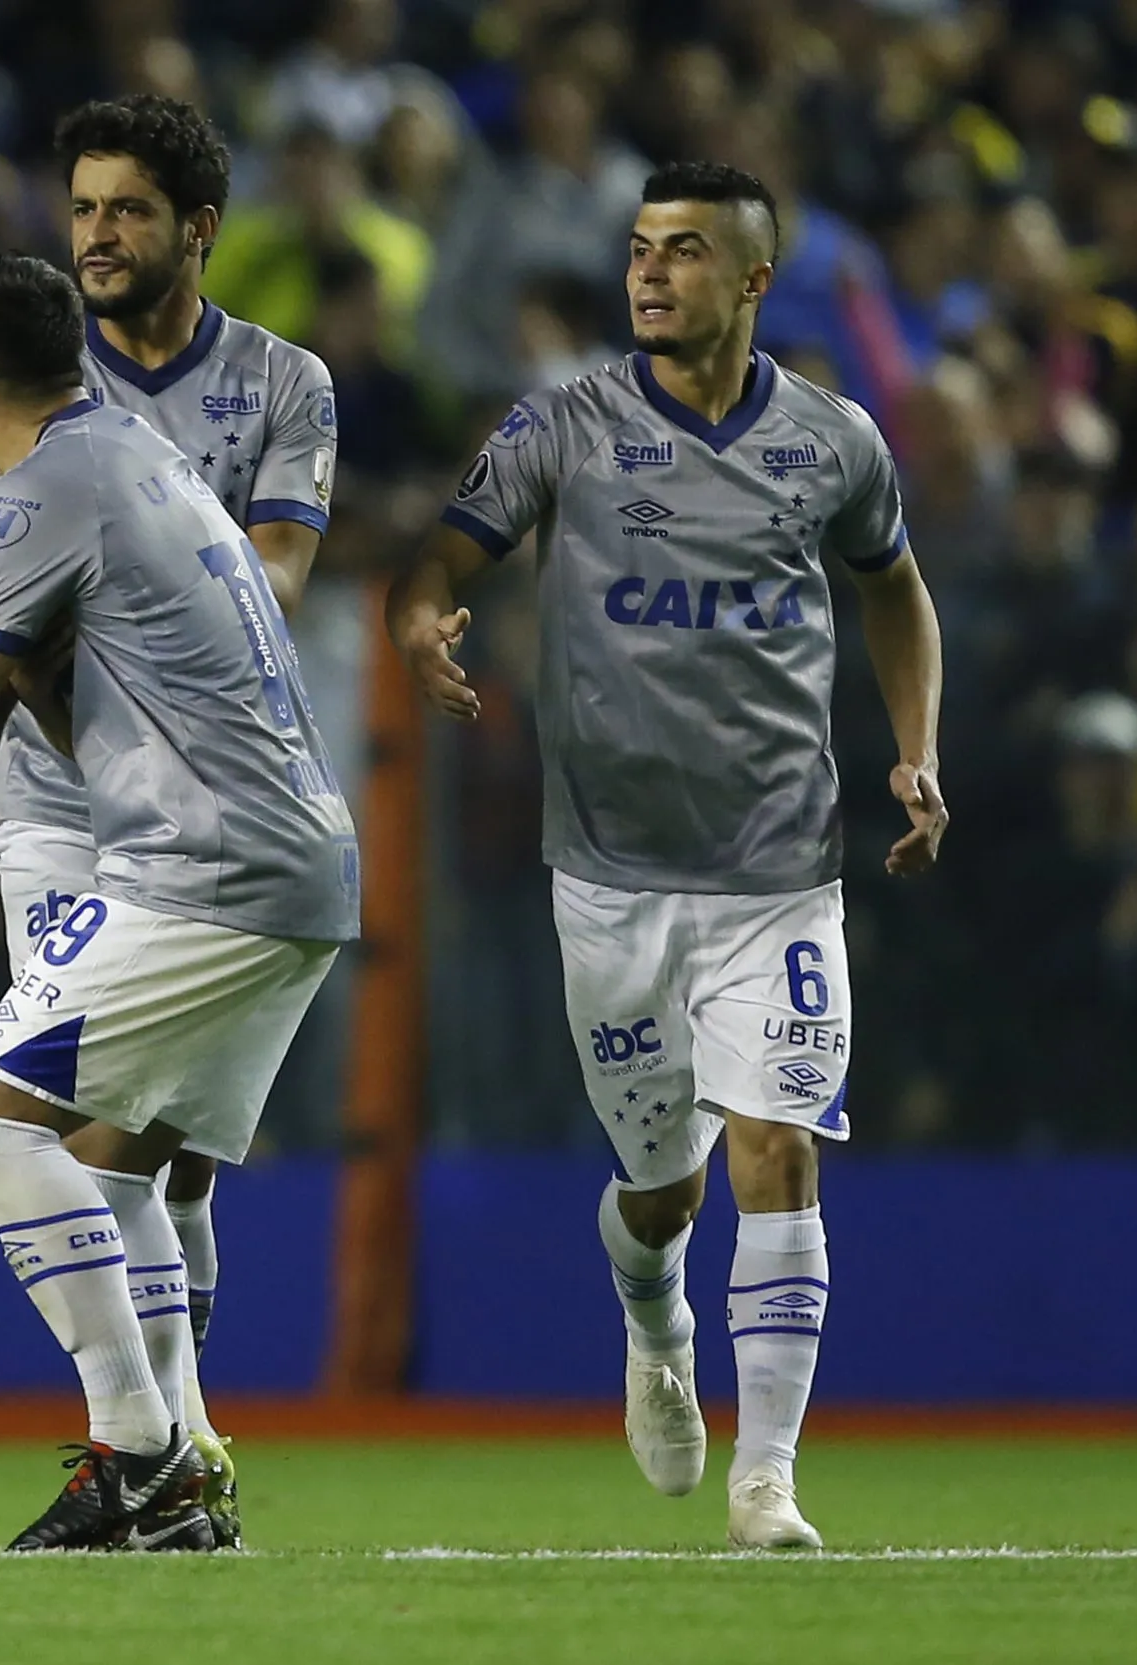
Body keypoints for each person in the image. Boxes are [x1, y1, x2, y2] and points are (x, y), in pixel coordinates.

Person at [389, 162, 949, 1550]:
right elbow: (440, 556)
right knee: (665, 1189)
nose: (651, 273)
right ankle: (655, 1322)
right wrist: (421, 619)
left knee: (777, 1150)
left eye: (686, 252)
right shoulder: (564, 425)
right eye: (641, 249)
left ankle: (770, 1478)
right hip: (612, 876)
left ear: (753, 281)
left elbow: (897, 593)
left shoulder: (834, 441)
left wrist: (916, 747)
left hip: (781, 865)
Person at [0, 93, 339, 1545]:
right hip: (62, 806)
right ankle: (174, 1451)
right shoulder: (17, 372)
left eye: (129, 211)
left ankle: (166, 1448)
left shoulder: (283, 384)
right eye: (85, 208)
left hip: (205, 808)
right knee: (97, 1138)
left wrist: (122, 609)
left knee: (160, 1154)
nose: (99, 234)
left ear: (198, 231)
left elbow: (274, 603)